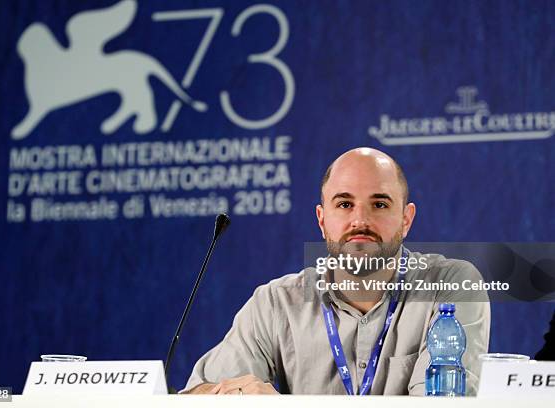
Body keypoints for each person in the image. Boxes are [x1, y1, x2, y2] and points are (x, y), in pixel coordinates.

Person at [182, 147, 490, 395]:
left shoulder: (450, 287)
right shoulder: (277, 302)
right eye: (344, 205)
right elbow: (193, 396)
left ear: (406, 219)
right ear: (322, 219)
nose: (360, 221)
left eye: (379, 205)